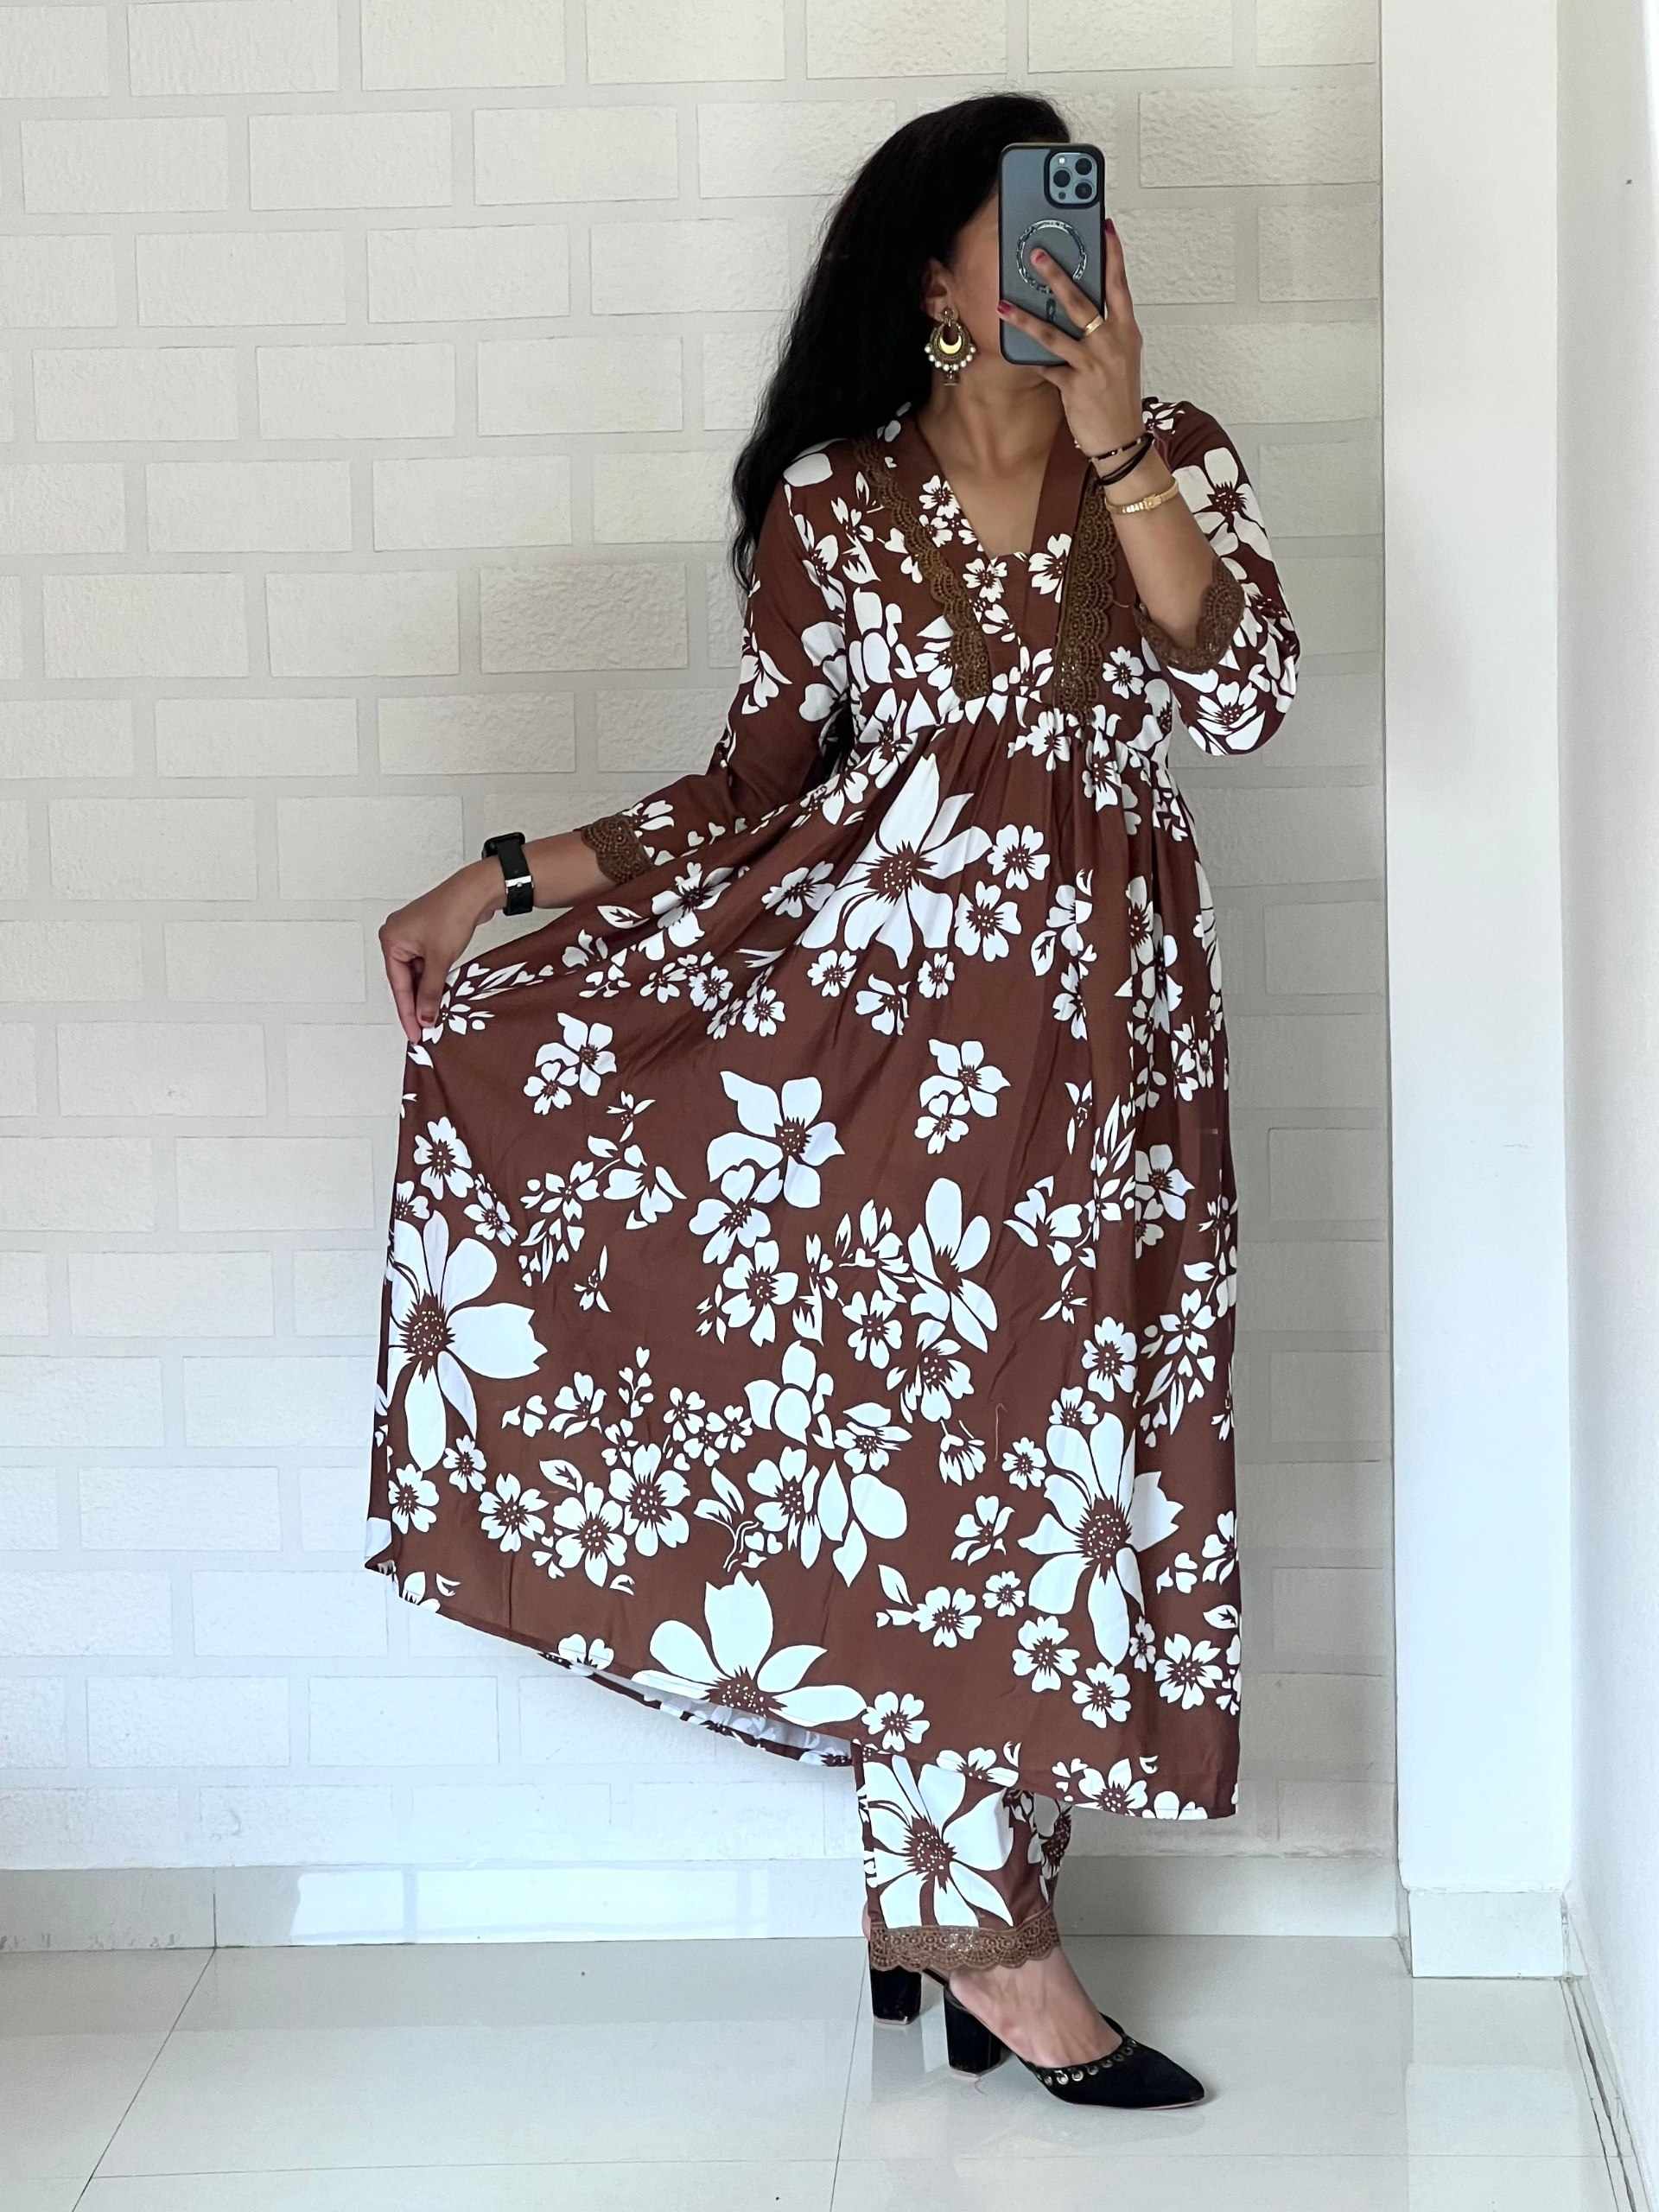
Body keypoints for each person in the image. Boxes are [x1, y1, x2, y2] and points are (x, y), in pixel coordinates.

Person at [366, 89, 1299, 2111]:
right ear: (933, 276)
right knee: (953, 1465)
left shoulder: (1175, 453)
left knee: (1063, 1462)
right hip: (894, 1069)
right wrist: (502, 876)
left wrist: (1123, 440)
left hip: (1116, 1063)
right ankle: (996, 1952)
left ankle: (951, 1908)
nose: (1070, 252)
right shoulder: (842, 501)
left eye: (1085, 218)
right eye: (1024, 223)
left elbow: (1241, 697)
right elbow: (747, 796)